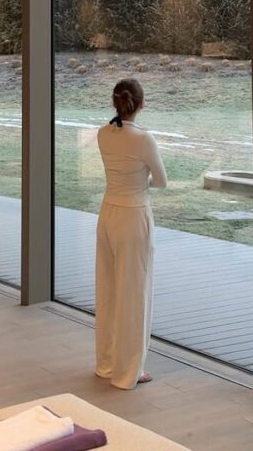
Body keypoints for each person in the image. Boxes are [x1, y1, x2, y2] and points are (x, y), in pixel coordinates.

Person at [95, 77, 167, 390]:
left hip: (108, 213)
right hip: (133, 216)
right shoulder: (143, 139)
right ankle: (129, 371)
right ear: (140, 104)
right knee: (134, 294)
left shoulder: (103, 134)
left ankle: (108, 363)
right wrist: (141, 183)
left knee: (109, 291)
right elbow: (161, 180)